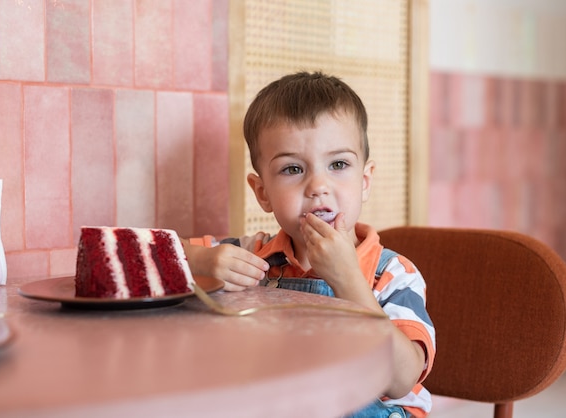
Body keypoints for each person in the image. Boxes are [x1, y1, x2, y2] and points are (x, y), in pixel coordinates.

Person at [183, 71, 435, 418]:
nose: (318, 185)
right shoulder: (252, 254)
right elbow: (145, 252)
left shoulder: (392, 274)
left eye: (338, 164)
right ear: (262, 193)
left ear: (364, 181)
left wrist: (348, 279)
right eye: (292, 169)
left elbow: (402, 379)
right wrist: (199, 259)